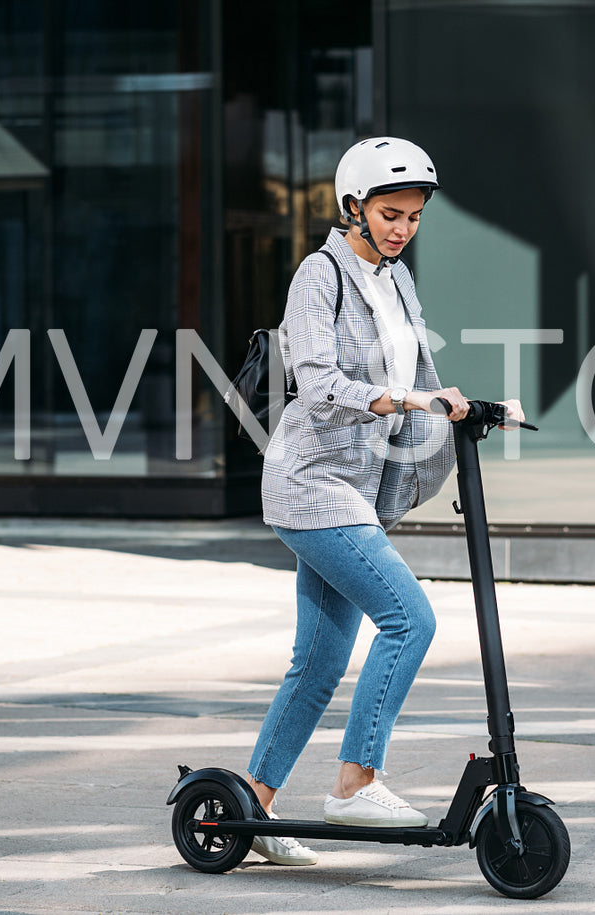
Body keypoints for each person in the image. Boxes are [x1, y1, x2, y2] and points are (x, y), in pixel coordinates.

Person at [244, 136, 524, 866]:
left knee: (319, 660)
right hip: (311, 483)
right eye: (389, 212)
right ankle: (355, 779)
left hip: (360, 490)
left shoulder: (396, 281)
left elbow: (421, 372)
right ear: (353, 207)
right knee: (409, 618)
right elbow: (319, 382)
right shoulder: (319, 275)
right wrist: (402, 396)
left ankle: (251, 807)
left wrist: (468, 404)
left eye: (413, 216)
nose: (402, 228)